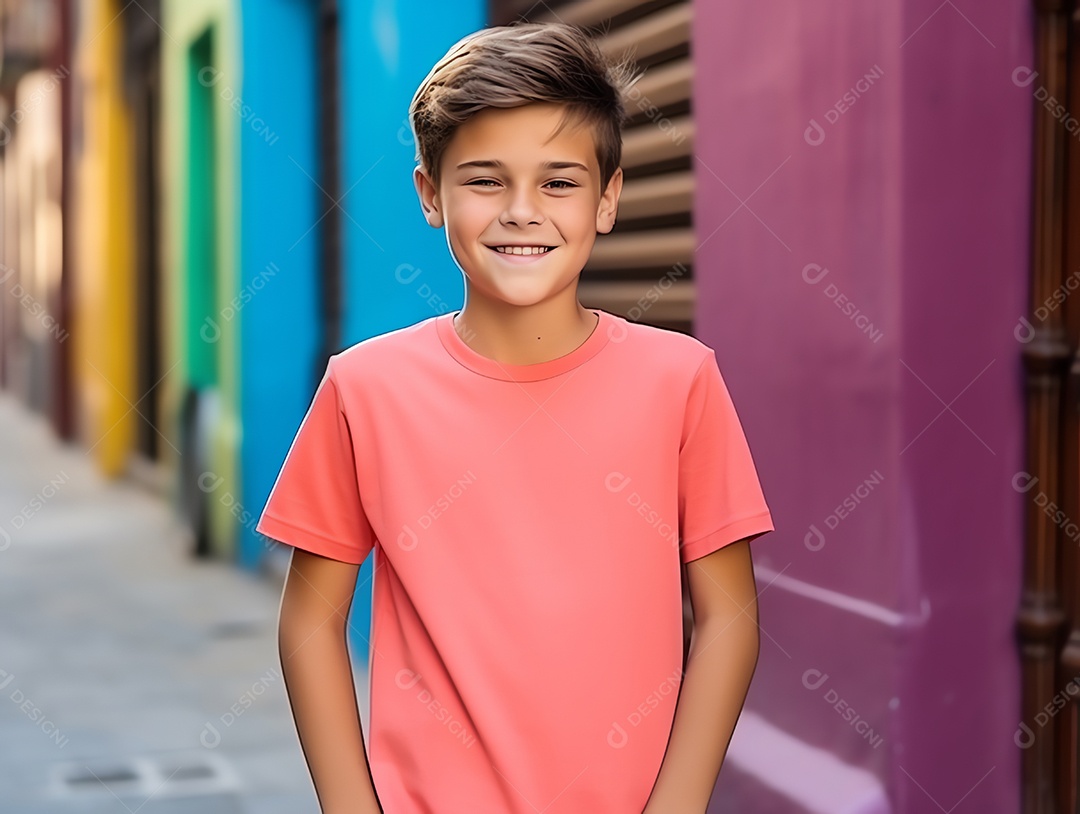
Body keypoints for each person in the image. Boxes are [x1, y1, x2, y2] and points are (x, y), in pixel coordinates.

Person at [256, 20, 776, 814]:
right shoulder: (365, 388)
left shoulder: (680, 380)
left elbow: (730, 616)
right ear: (431, 195)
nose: (522, 212)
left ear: (608, 199)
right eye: (485, 180)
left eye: (560, 182)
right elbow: (308, 623)